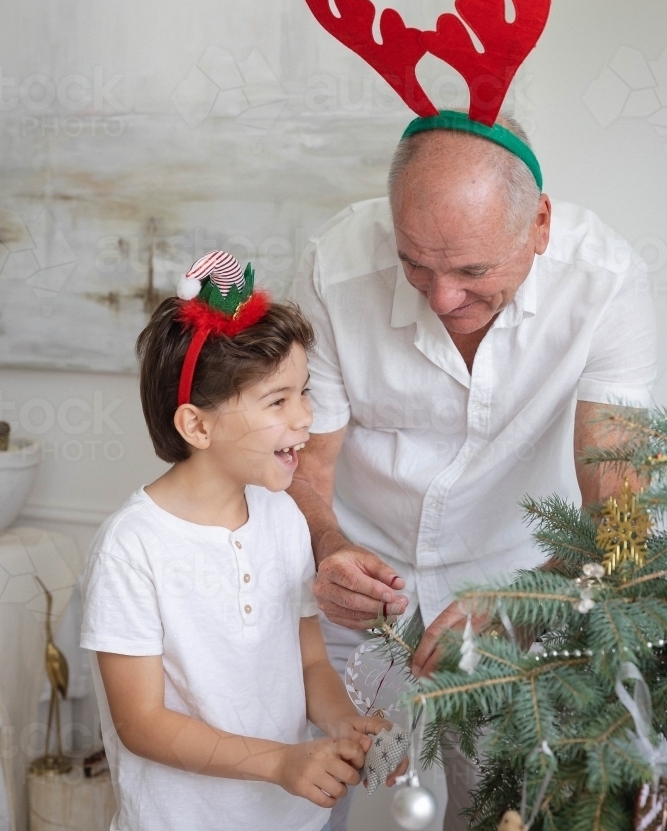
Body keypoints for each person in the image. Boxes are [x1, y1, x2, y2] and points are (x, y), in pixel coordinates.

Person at [288, 116, 657, 829]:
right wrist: (327, 545)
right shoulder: (334, 265)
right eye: (415, 266)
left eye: (471, 271)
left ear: (539, 225)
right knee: (292, 795)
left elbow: (621, 507)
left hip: (521, 578)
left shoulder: (606, 283)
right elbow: (304, 464)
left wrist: (525, 598)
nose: (440, 299)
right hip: (353, 576)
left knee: (500, 808)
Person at [80, 252, 396, 831]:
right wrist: (278, 761)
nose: (305, 417)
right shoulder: (131, 548)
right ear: (197, 426)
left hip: (289, 819)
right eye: (278, 401)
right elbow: (141, 722)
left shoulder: (283, 517)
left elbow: (309, 663)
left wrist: (344, 723)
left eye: (304, 391)